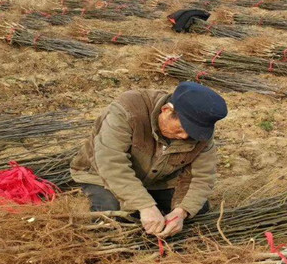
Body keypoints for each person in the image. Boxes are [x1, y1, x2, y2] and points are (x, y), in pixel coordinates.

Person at [70, 81, 227, 238]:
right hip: (101, 175)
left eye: (192, 133)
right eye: (180, 129)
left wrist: (181, 211)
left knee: (197, 209)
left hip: (156, 180)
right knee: (113, 218)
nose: (185, 137)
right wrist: (145, 205)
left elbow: (202, 178)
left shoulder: (200, 133)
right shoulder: (128, 110)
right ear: (166, 110)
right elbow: (111, 163)